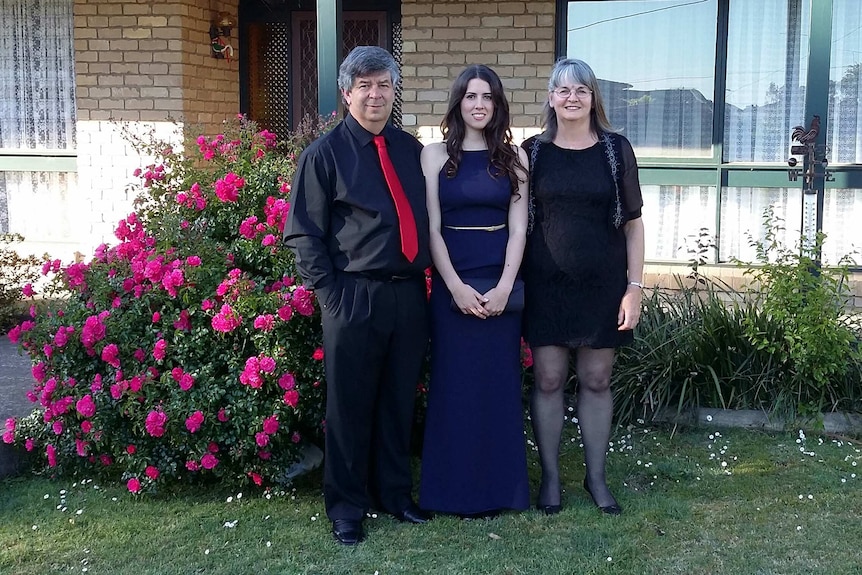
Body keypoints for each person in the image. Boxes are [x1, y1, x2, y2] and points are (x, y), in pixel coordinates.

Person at [284, 46, 433, 545]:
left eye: (384, 85)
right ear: (346, 93)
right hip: (353, 296)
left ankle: (393, 494)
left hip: (409, 296)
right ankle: (347, 506)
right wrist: (331, 295)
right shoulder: (323, 156)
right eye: (365, 85)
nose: (375, 94)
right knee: (348, 406)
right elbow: (304, 233)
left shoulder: (411, 152)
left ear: (394, 92)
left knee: (397, 400)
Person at [522, 58, 645, 516]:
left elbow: (633, 225)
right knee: (549, 378)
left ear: (594, 98)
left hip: (602, 285)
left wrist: (634, 288)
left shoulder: (615, 150)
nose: (571, 97)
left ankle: (596, 477)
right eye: (562, 89)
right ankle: (551, 479)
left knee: (596, 379)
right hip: (546, 285)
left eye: (581, 89)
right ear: (551, 98)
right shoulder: (531, 152)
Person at [418, 64, 530, 518]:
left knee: (497, 387)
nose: (479, 104)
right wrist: (455, 288)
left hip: (501, 285)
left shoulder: (515, 157)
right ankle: (450, 493)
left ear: (498, 104)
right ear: (458, 103)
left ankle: (502, 491)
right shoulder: (432, 156)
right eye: (470, 96)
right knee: (454, 388)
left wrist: (504, 287)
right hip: (453, 285)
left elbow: (520, 230)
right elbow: (432, 229)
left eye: (487, 96)